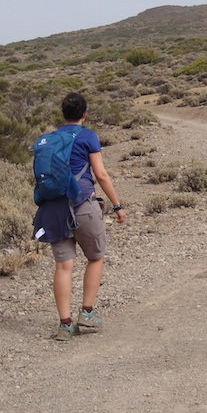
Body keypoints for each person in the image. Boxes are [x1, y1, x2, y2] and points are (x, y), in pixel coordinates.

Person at [33, 92, 126, 341]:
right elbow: (101, 174)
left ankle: (65, 324)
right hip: (83, 204)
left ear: (63, 114)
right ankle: (87, 312)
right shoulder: (87, 136)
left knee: (64, 266)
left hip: (53, 208)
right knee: (96, 257)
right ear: (84, 114)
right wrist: (117, 206)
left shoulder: (49, 139)